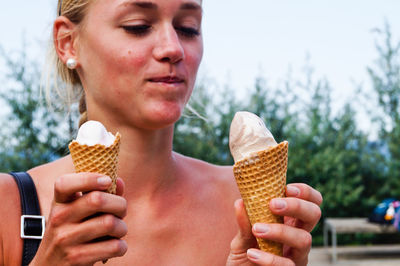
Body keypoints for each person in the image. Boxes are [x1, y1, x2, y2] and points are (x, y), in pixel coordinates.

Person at [0, 0, 322, 265]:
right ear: (68, 43)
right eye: (138, 26)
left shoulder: (246, 209)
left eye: (188, 28)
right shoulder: (10, 208)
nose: (173, 48)